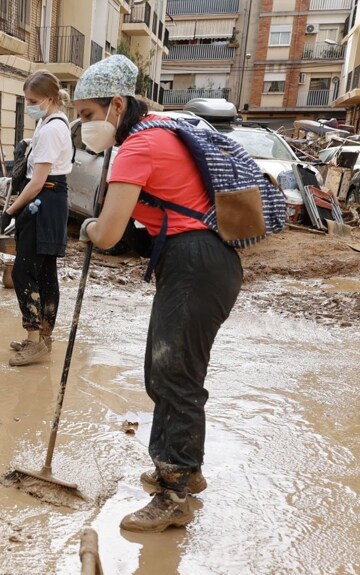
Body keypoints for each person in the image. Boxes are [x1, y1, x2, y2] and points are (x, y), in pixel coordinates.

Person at [75, 54, 241, 533]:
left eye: (88, 114)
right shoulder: (161, 128)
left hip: (194, 262)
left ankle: (174, 495)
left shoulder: (138, 147)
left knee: (175, 377)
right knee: (164, 368)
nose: (84, 125)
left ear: (117, 105)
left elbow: (107, 233)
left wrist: (87, 226)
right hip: (203, 261)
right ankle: (182, 468)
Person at [1, 71, 71, 367]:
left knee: (24, 272)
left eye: (33, 101)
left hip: (44, 202)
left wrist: (11, 210)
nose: (28, 105)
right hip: (45, 201)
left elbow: (37, 181)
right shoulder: (47, 123)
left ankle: (35, 341)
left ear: (50, 99)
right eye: (26, 100)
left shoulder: (54, 128)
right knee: (42, 272)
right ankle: (42, 338)